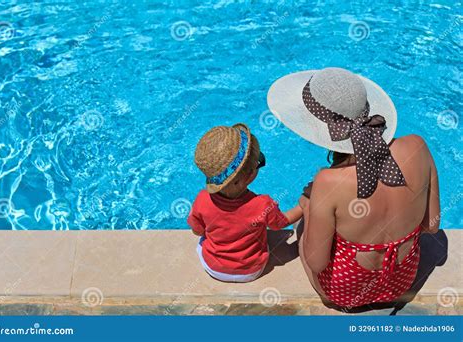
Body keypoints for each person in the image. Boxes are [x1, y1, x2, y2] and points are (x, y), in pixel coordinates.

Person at [268, 67, 440, 308]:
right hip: (402, 282)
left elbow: (317, 263)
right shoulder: (417, 147)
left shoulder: (328, 182)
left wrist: (309, 207)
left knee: (305, 226)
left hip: (344, 294)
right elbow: (432, 226)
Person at [188, 123, 302, 282]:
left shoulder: (202, 200)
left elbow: (198, 231)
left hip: (214, 269)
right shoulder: (262, 204)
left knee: (202, 241)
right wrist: (303, 205)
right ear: (249, 176)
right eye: (259, 162)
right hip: (251, 270)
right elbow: (280, 223)